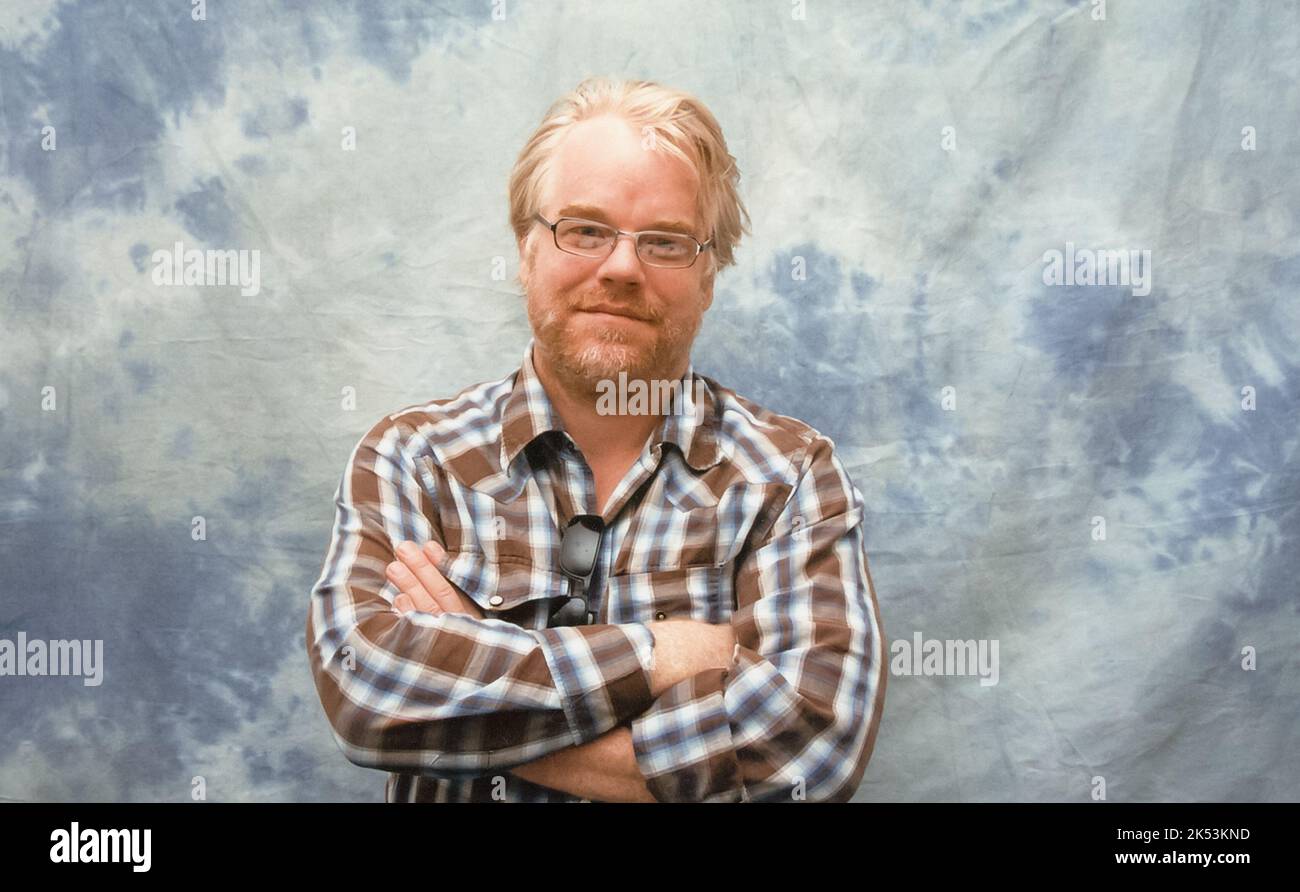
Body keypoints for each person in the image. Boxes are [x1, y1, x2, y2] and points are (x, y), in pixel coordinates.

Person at [306, 76, 887, 802]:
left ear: (708, 277)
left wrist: (473, 689)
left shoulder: (790, 478)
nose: (621, 267)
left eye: (666, 242)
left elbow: (809, 754)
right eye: (584, 230)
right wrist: (664, 653)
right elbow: (366, 694)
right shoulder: (413, 459)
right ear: (526, 251)